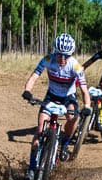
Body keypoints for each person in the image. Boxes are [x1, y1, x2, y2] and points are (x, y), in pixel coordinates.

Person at [21, 33, 91, 164]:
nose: (63, 59)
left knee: (73, 118)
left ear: (71, 54)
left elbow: (84, 89)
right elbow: (34, 77)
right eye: (59, 55)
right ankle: (32, 166)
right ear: (55, 51)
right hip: (51, 95)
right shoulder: (48, 59)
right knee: (40, 129)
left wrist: (87, 106)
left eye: (66, 56)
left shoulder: (75, 66)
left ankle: (65, 143)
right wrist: (27, 91)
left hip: (68, 97)